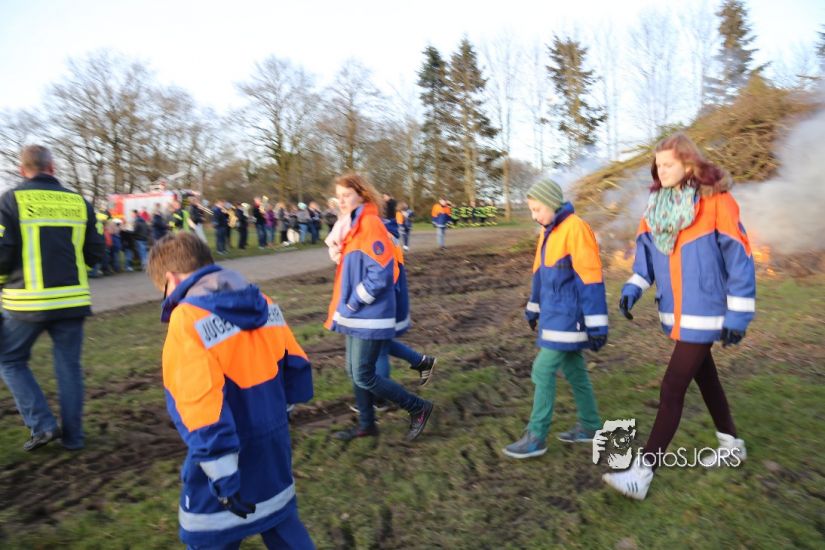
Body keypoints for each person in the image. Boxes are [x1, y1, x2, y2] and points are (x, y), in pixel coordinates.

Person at [603, 133, 755, 500]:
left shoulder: (716, 201)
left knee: (672, 388)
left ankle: (642, 473)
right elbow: (645, 254)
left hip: (707, 310)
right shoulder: (655, 207)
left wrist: (739, 312)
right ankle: (731, 444)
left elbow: (739, 257)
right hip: (676, 311)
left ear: (689, 164)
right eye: (658, 164)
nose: (661, 170)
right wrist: (634, 286)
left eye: (668, 163)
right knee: (706, 378)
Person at [147, 232, 315, 549]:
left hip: (224, 459)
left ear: (171, 278)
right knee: (281, 523)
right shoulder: (264, 302)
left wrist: (222, 474)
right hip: (273, 446)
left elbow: (198, 403)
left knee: (210, 536)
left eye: (164, 291)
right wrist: (279, 415)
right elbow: (295, 365)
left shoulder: (187, 318)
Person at [0, 145, 105, 451]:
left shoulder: (10, 200)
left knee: (10, 359)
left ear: (22, 170)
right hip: (72, 300)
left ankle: (42, 425)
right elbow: (96, 251)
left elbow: (3, 253)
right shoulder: (79, 202)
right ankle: (74, 438)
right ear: (53, 167)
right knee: (69, 369)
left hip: (25, 303)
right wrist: (75, 269)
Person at [503, 178, 608, 460]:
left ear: (552, 204)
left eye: (537, 209)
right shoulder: (548, 232)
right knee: (575, 371)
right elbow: (539, 275)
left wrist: (597, 324)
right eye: (532, 211)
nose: (534, 216)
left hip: (570, 318)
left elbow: (591, 279)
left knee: (542, 369)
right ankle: (591, 426)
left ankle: (536, 436)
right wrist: (533, 308)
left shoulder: (576, 228)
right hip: (554, 316)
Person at [325, 172, 434, 441]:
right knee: (354, 372)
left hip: (368, 314)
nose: (341, 201)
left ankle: (418, 407)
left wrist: (354, 300)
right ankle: (367, 425)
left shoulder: (369, 224)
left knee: (364, 375)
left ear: (362, 195)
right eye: (338, 196)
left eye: (346, 195)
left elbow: (381, 273)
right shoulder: (351, 225)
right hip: (355, 314)